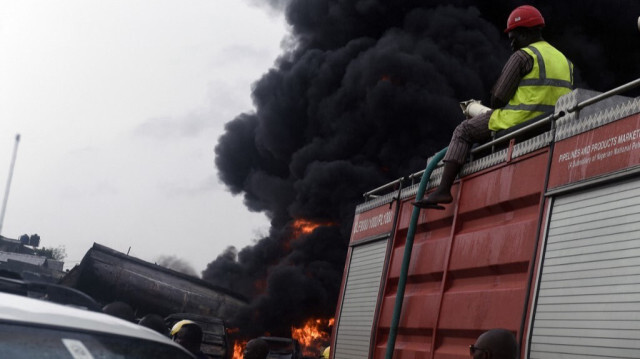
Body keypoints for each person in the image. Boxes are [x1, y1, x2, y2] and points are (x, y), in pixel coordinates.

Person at [414, 5, 573, 209]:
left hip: (518, 122)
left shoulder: (523, 56)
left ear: (525, 32)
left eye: (514, 37)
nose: (512, 44)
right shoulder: (564, 60)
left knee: (463, 131)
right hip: (551, 124)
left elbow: (498, 98)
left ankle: (444, 190)